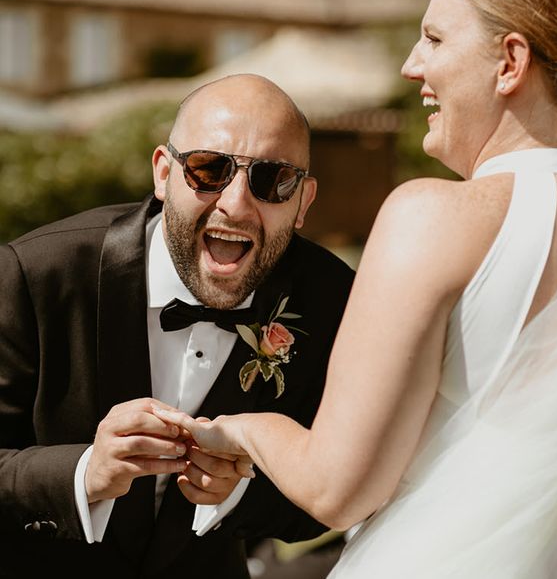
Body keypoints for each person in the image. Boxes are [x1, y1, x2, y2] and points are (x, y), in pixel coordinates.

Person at [154, 0, 557, 578]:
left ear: (510, 62)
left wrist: (242, 429)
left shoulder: (435, 216)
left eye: (434, 39)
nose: (410, 65)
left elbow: (339, 489)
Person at [0, 73, 355, 578]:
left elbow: (337, 489)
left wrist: (238, 496)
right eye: (209, 169)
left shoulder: (336, 303)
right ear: (163, 173)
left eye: (272, 180)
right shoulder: (34, 275)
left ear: (303, 201)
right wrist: (83, 473)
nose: (235, 204)